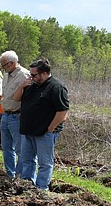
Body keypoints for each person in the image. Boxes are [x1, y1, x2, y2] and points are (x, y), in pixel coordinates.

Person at [12, 57, 69, 190]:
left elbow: (62, 112)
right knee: (27, 160)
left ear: (44, 73)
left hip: (45, 133)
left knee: (45, 163)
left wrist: (51, 128)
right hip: (28, 130)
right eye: (30, 74)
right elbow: (16, 99)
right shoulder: (31, 86)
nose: (31, 77)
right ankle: (27, 185)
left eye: (33, 75)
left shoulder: (56, 87)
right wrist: (21, 85)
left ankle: (41, 188)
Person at [0, 51, 30, 178]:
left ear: (11, 63)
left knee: (20, 149)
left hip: (17, 116)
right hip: (6, 115)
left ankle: (19, 176)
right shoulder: (6, 74)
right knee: (6, 148)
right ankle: (10, 174)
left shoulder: (24, 75)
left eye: (4, 65)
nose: (3, 68)